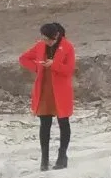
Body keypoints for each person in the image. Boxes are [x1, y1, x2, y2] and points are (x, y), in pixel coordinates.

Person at [18, 21, 76, 169]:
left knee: (63, 122)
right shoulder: (40, 45)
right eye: (44, 39)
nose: (46, 42)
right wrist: (37, 67)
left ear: (56, 36)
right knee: (45, 123)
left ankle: (62, 156)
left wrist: (54, 65)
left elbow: (69, 70)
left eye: (48, 39)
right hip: (44, 89)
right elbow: (23, 58)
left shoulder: (68, 47)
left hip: (61, 90)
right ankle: (44, 159)